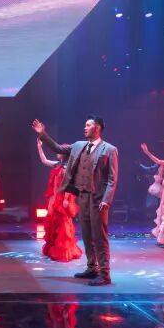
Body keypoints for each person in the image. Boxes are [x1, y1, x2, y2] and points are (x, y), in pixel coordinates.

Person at [32, 116, 119, 286]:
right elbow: (58, 148)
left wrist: (106, 200)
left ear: (97, 127)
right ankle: (92, 267)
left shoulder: (109, 150)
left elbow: (112, 179)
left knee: (99, 236)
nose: (84, 127)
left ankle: (105, 274)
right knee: (86, 234)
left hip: (98, 200)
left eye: (88, 125)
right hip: (83, 197)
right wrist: (43, 133)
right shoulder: (79, 145)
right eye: (84, 125)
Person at [36, 139, 82, 262]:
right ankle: (54, 247)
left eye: (59, 151)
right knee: (53, 222)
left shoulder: (67, 168)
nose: (57, 152)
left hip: (62, 198)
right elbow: (44, 160)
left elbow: (69, 184)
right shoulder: (58, 164)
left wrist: (66, 199)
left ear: (64, 154)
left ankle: (64, 250)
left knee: (63, 223)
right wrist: (39, 147)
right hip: (54, 197)